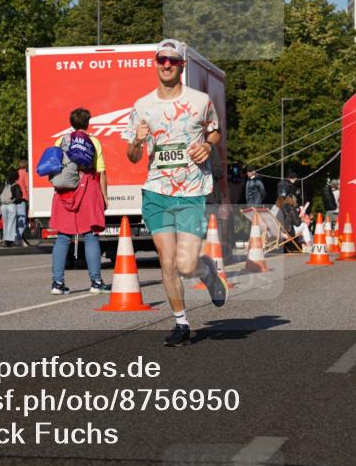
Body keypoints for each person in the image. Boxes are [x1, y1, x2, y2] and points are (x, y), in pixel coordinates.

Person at [123, 39, 225, 347]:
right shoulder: (142, 106)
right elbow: (132, 156)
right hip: (156, 192)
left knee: (185, 264)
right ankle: (181, 323)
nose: (166, 65)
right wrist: (137, 142)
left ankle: (206, 271)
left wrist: (208, 145)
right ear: (155, 63)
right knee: (167, 261)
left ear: (181, 65)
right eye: (161, 60)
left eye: (172, 60)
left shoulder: (200, 100)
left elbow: (214, 130)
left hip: (192, 191)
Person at [50, 108, 110, 294]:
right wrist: (104, 196)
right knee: (91, 235)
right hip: (88, 189)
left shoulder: (61, 141)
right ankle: (96, 282)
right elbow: (100, 172)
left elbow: (55, 166)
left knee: (62, 237)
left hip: (65, 191)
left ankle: (57, 284)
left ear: (71, 122)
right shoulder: (94, 142)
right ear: (88, 123)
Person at [0, 170, 24, 247]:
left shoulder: (3, 184)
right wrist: (17, 201)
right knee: (11, 223)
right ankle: (9, 241)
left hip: (3, 205)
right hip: (11, 205)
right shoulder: (15, 185)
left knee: (5, 223)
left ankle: (5, 239)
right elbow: (19, 197)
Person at [15, 158, 31, 245]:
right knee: (22, 218)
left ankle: (14, 237)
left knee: (15, 219)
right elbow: (28, 187)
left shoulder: (16, 173)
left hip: (13, 199)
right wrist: (30, 198)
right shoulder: (25, 174)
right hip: (22, 199)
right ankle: (18, 238)